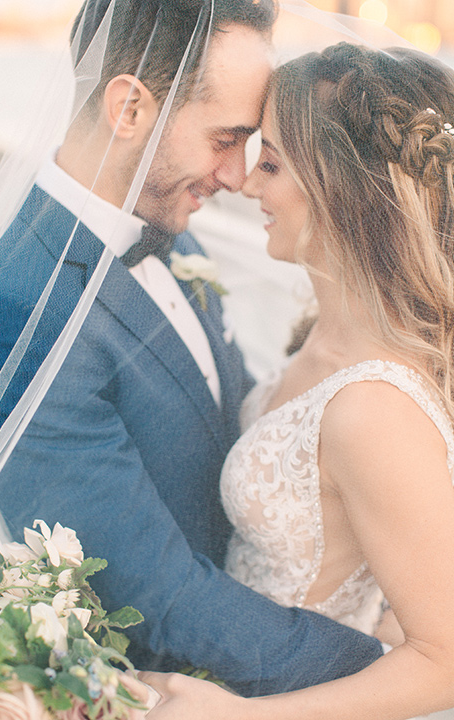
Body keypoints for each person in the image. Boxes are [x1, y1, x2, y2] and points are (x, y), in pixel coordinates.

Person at [0, 0, 383, 699]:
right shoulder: (18, 310)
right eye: (227, 139)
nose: (235, 177)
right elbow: (158, 596)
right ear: (128, 109)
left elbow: (246, 427)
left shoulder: (164, 218)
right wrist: (393, 668)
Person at [139, 41, 454, 719]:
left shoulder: (374, 408)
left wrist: (242, 716)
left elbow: (445, 660)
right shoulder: (328, 332)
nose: (248, 185)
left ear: (342, 187)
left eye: (273, 164)